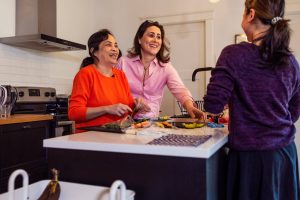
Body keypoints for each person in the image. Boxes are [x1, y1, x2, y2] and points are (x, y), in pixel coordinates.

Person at [203, 0, 300, 199]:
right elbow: (296, 106)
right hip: (284, 156)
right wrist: (271, 121)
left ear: (251, 14)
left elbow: (213, 105)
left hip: (250, 160)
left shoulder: (233, 54)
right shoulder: (290, 60)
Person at [117, 20, 204, 119]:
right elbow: (113, 91)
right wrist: (131, 101)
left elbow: (180, 90)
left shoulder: (165, 67)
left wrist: (189, 106)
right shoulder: (123, 62)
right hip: (123, 121)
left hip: (151, 124)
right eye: (151, 35)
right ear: (139, 39)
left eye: (159, 37)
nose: (155, 40)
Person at [68, 29, 148, 130]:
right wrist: (107, 109)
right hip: (90, 138)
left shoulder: (121, 75)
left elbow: (127, 110)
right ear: (94, 51)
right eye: (108, 45)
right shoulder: (85, 74)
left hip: (117, 135)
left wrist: (137, 105)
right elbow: (74, 113)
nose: (114, 49)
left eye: (116, 45)